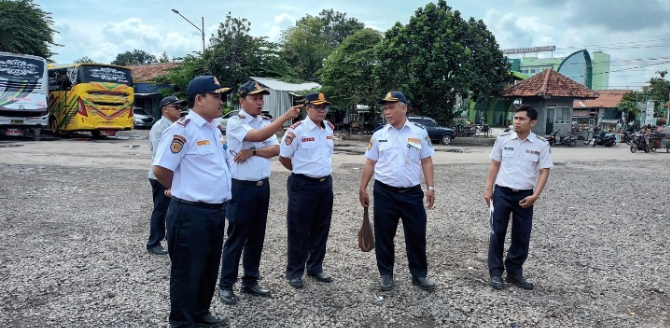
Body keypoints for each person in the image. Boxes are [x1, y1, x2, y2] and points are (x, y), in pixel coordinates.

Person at [152, 76, 232, 328]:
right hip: (190, 213)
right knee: (187, 272)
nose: (221, 101)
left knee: (208, 269)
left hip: (215, 212)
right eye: (216, 96)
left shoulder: (213, 128)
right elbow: (161, 169)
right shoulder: (182, 130)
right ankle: (182, 322)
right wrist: (179, 189)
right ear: (199, 99)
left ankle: (200, 313)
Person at [218, 81, 301, 305]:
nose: (259, 101)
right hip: (241, 188)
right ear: (242, 100)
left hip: (261, 187)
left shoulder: (264, 122)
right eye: (254, 98)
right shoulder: (237, 122)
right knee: (237, 237)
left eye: (261, 98)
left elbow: (276, 149)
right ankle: (226, 284)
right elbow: (257, 136)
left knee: (256, 237)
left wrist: (253, 151)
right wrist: (284, 118)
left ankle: (250, 280)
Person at [358, 91, 436, 292]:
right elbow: (370, 163)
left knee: (416, 235)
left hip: (412, 193)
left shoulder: (419, 132)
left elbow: (426, 161)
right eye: (385, 108)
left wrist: (430, 188)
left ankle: (419, 275)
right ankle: (386, 274)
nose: (387, 112)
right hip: (385, 193)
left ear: (404, 108)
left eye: (391, 107)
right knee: (384, 235)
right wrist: (362, 187)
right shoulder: (379, 134)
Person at [483, 105, 553, 291]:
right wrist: (488, 189)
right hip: (502, 193)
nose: (517, 122)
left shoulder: (541, 144)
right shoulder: (503, 140)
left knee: (522, 235)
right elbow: (494, 164)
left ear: (533, 122)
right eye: (516, 118)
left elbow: (544, 172)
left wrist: (535, 196)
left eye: (522, 119)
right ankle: (496, 272)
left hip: (525, 195)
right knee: (497, 233)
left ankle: (514, 272)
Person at [278, 92, 336, 289]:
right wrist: (302, 173)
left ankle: (315, 267)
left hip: (325, 184)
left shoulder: (328, 128)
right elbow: (284, 158)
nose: (322, 110)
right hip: (303, 185)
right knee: (298, 229)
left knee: (321, 227)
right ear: (307, 108)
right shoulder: (296, 131)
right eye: (318, 107)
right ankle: (295, 271)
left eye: (324, 107)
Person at [146, 96, 186, 256]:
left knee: (173, 209)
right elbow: (160, 157)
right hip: (161, 176)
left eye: (180, 107)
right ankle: (154, 242)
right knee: (161, 209)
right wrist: (169, 181)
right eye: (176, 107)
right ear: (165, 109)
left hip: (174, 175)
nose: (179, 109)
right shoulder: (160, 128)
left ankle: (172, 238)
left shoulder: (178, 126)